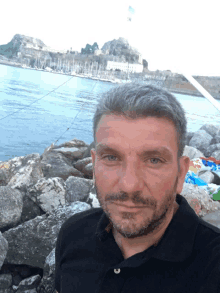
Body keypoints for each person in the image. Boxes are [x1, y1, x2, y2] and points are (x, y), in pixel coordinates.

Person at [55, 83, 220, 293]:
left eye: (154, 160)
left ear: (181, 173)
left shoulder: (213, 268)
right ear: (95, 165)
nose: (129, 185)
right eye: (112, 157)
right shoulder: (73, 234)